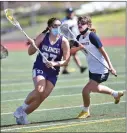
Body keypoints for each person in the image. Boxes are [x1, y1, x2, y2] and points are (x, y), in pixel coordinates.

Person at [13, 17, 70, 125]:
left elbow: (66, 61)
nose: (57, 28)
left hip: (53, 72)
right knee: (40, 89)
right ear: (49, 27)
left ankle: (23, 115)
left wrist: (55, 63)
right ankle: (21, 109)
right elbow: (30, 52)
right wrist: (33, 44)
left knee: (41, 97)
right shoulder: (43, 37)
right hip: (40, 68)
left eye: (59, 26)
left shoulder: (64, 41)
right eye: (55, 26)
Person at [70, 16, 124, 119]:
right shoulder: (78, 38)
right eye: (79, 23)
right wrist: (79, 48)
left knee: (85, 91)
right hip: (92, 69)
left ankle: (85, 111)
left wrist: (111, 67)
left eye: (82, 23)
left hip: (101, 69)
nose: (80, 25)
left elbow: (104, 53)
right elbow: (70, 52)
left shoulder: (92, 36)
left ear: (88, 25)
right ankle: (115, 94)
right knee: (95, 88)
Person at [61, 8, 87, 74]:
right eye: (69, 12)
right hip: (69, 40)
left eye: (71, 12)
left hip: (76, 39)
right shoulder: (64, 21)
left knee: (71, 54)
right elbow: (62, 30)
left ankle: (65, 69)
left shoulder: (76, 19)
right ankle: (80, 67)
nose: (70, 14)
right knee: (73, 54)